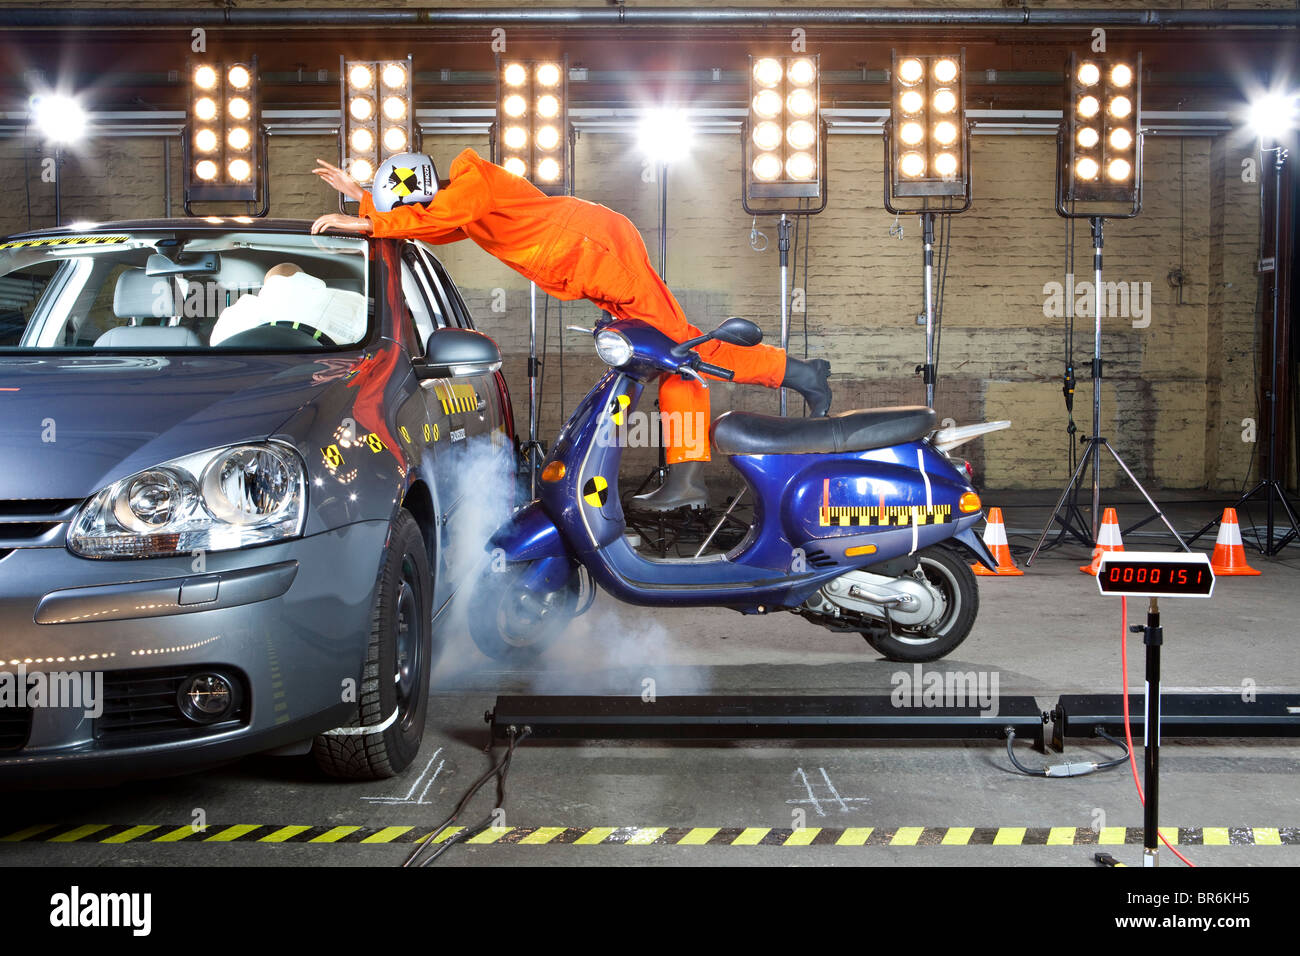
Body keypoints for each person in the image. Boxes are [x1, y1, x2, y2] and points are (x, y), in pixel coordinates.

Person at [311, 149, 832, 511]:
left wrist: (373, 222)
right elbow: (439, 224)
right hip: (594, 266)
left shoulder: (473, 181)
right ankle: (801, 373)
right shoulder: (465, 209)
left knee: (681, 357)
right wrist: (363, 200)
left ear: (422, 191)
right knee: (686, 347)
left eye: (405, 208)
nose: (413, 217)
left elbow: (441, 213)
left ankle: (688, 478)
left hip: (601, 253)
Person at [210, 262, 366, 347]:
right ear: (304, 278)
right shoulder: (351, 302)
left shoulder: (238, 312)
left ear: (266, 287)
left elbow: (217, 347)